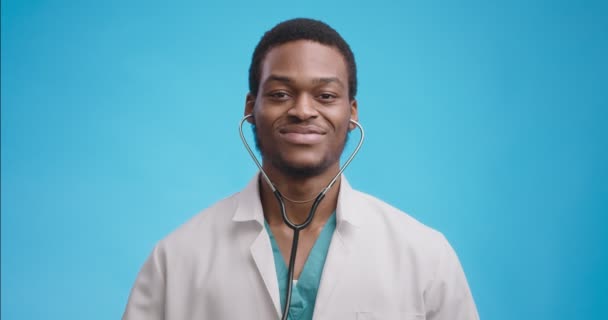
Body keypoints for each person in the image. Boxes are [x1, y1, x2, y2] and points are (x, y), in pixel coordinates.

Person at [122, 18, 479, 320]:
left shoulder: (424, 255)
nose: (303, 110)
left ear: (352, 113)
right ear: (251, 106)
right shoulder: (177, 258)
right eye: (280, 94)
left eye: (325, 96)